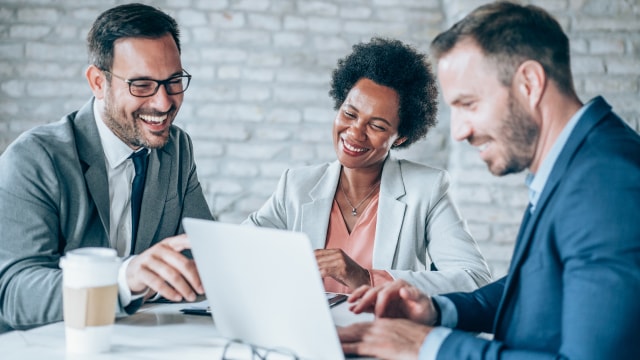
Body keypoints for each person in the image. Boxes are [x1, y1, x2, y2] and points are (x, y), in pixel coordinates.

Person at [338, 2, 640, 359]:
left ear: (529, 83)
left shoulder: (606, 185)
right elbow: (534, 288)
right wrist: (438, 311)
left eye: (469, 104)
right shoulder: (578, 163)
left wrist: (428, 346)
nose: (460, 132)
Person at [0, 3, 214, 332]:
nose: (164, 102)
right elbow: (16, 293)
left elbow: (203, 254)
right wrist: (124, 279)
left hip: (140, 342)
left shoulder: (177, 148)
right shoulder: (35, 158)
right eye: (142, 85)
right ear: (98, 82)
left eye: (173, 81)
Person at [244, 37, 491, 295]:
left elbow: (475, 279)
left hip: (379, 332)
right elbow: (240, 249)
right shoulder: (296, 185)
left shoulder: (426, 190)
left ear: (401, 136)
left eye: (377, 126)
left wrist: (366, 278)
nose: (355, 133)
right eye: (349, 114)